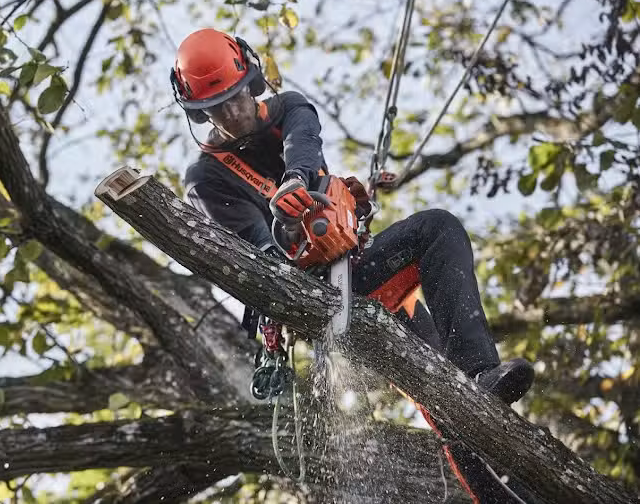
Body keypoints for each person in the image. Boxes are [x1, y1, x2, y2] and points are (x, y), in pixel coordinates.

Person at [172, 28, 536, 502]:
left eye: (236, 97)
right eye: (216, 107)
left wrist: (299, 182)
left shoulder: (288, 109)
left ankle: (482, 385)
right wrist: (286, 233)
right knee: (433, 387)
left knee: (439, 245)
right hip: (316, 299)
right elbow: (254, 260)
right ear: (199, 111)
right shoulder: (207, 178)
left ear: (251, 81)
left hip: (364, 267)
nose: (231, 113)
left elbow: (303, 142)